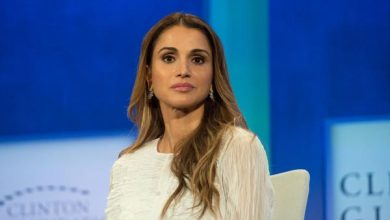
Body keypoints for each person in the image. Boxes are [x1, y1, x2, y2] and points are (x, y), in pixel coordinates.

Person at [105, 12, 273, 220]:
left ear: (213, 76)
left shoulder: (238, 147)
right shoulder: (127, 166)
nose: (183, 70)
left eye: (198, 59)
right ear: (149, 76)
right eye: (168, 58)